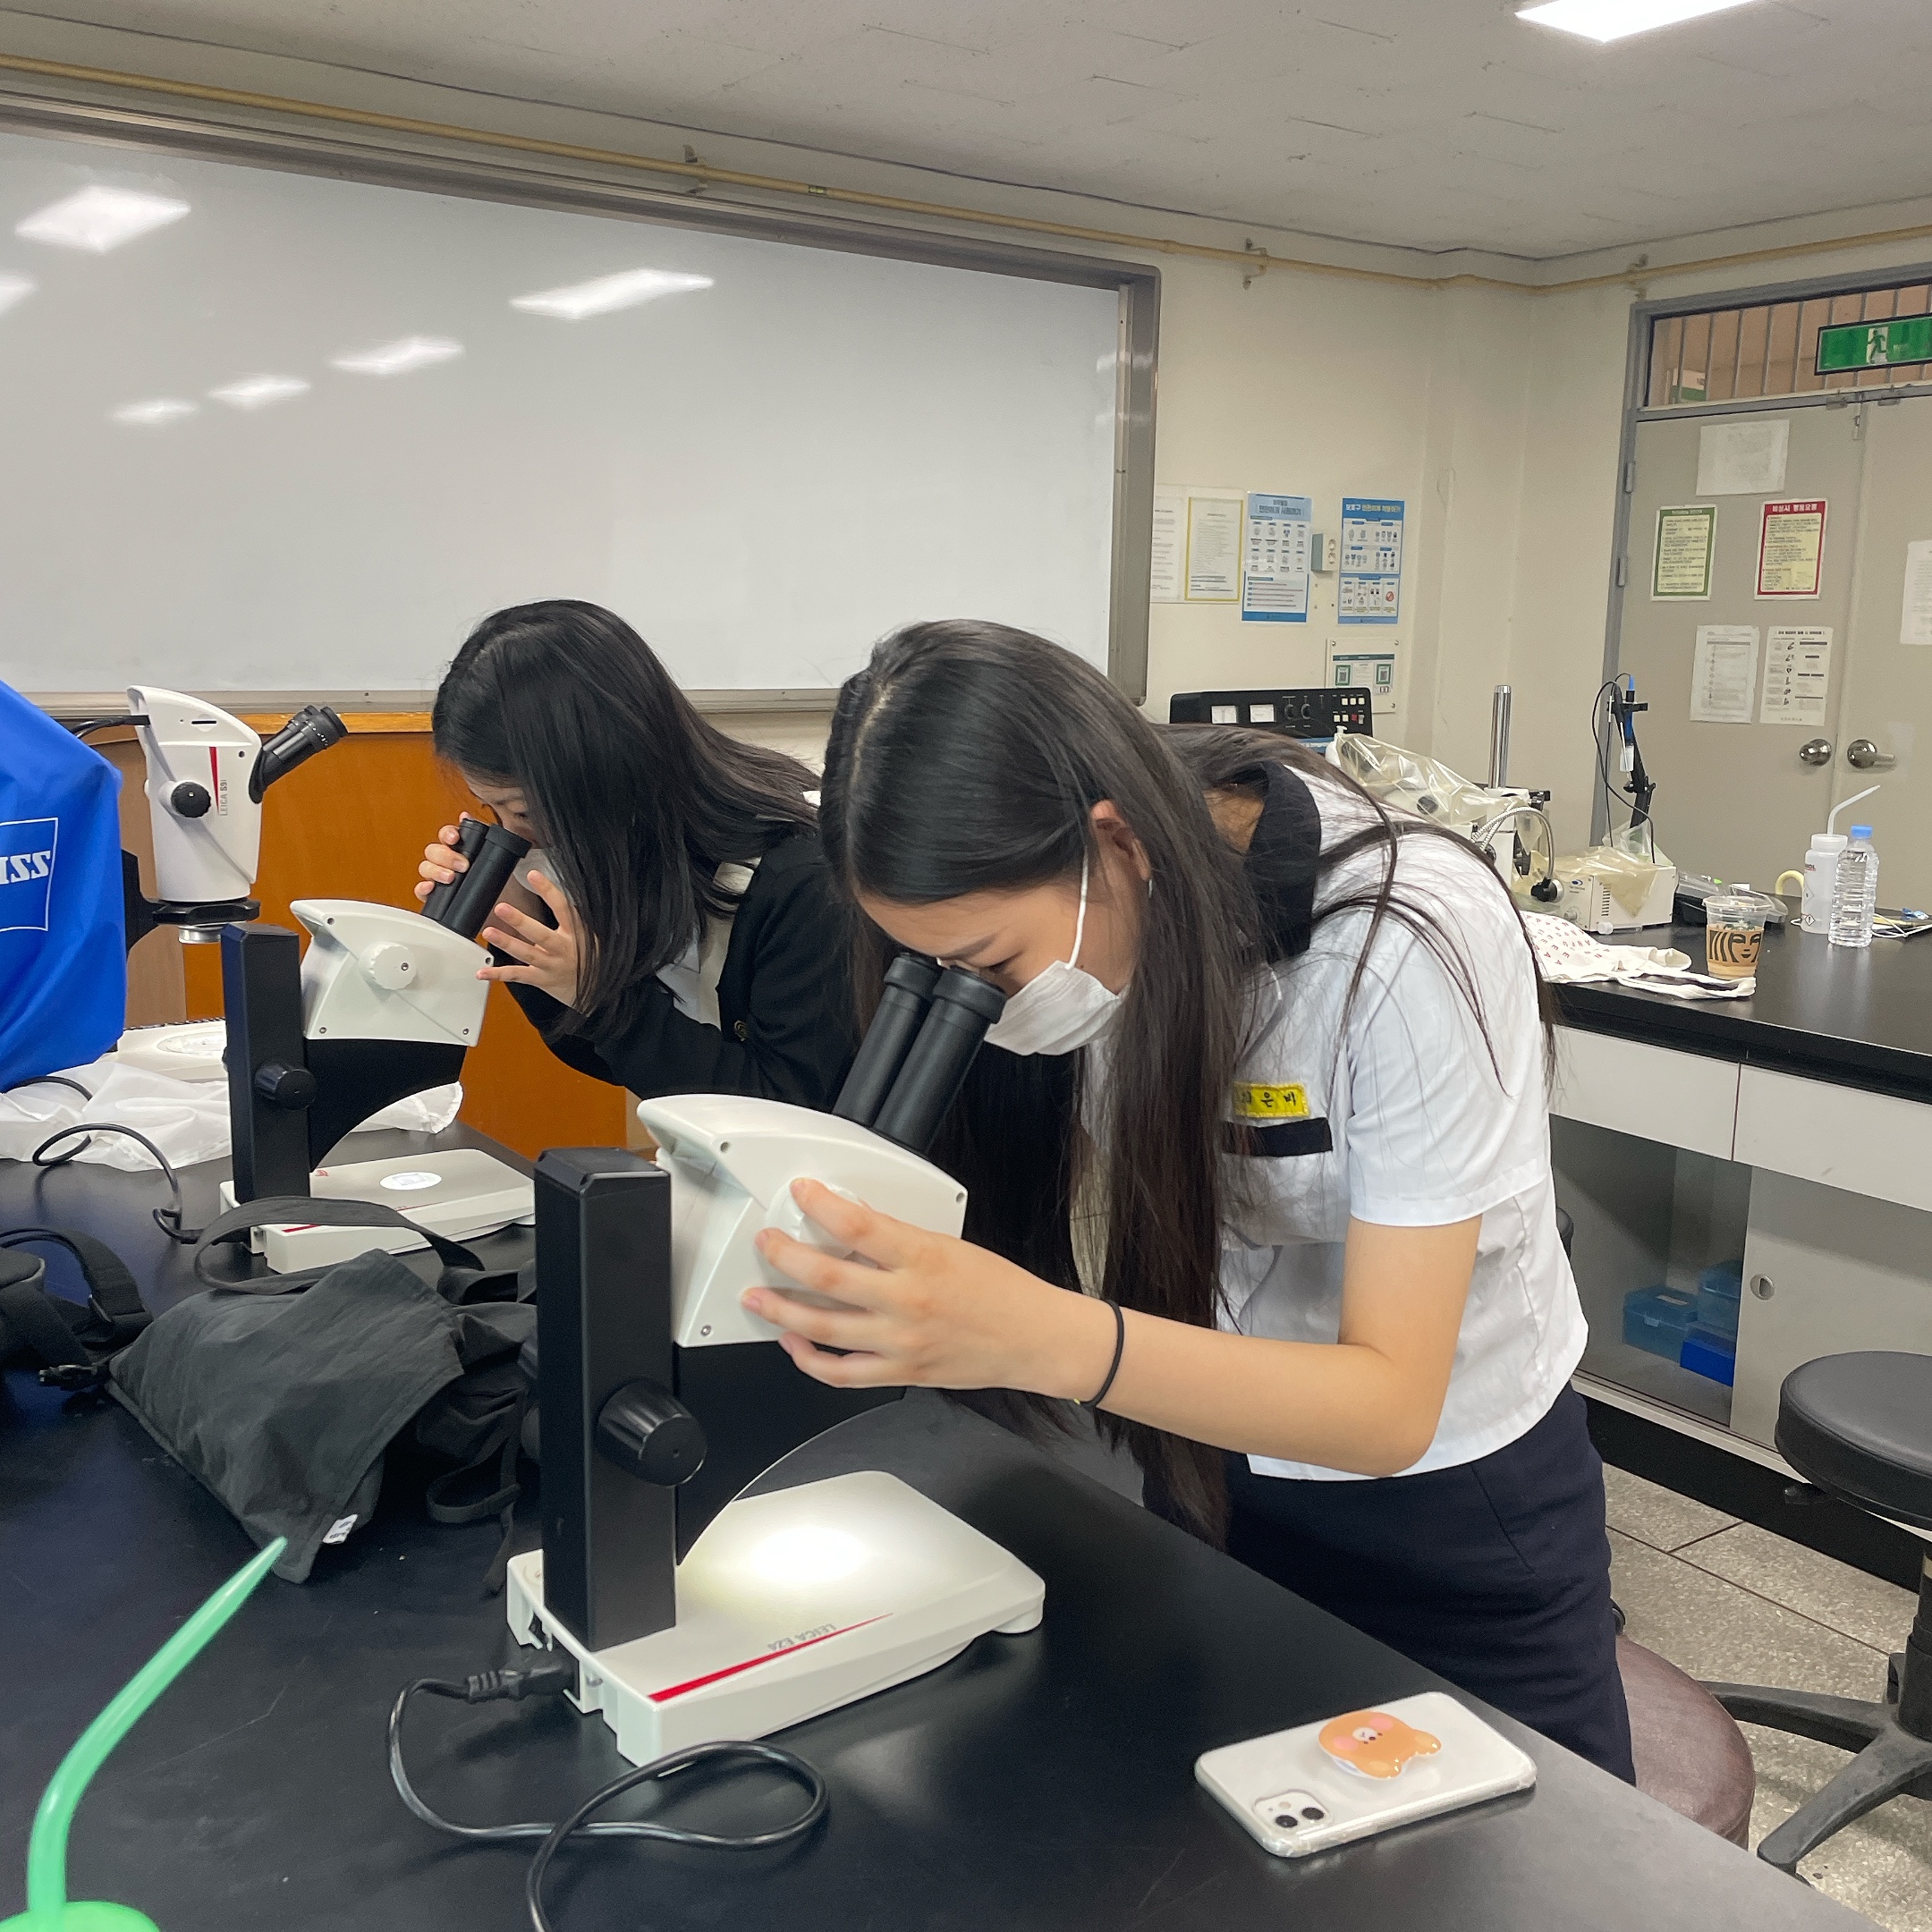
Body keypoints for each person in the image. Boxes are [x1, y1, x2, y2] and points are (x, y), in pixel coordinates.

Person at [738, 620, 1633, 1781]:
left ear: (1117, 844)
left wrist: (1035, 1334)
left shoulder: (1400, 936)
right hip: (1210, 1456)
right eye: (935, 971)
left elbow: (1389, 1407)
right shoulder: (1095, 910)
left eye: (991, 965)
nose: (982, 1003)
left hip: (1449, 1510)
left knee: (1540, 1854)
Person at [415, 599, 852, 1107]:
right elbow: (616, 1060)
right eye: (491, 810)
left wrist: (600, 997)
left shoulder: (803, 875)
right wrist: (525, 934)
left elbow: (786, 1108)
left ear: (610, 769)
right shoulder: (640, 842)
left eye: (525, 812)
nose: (517, 837)